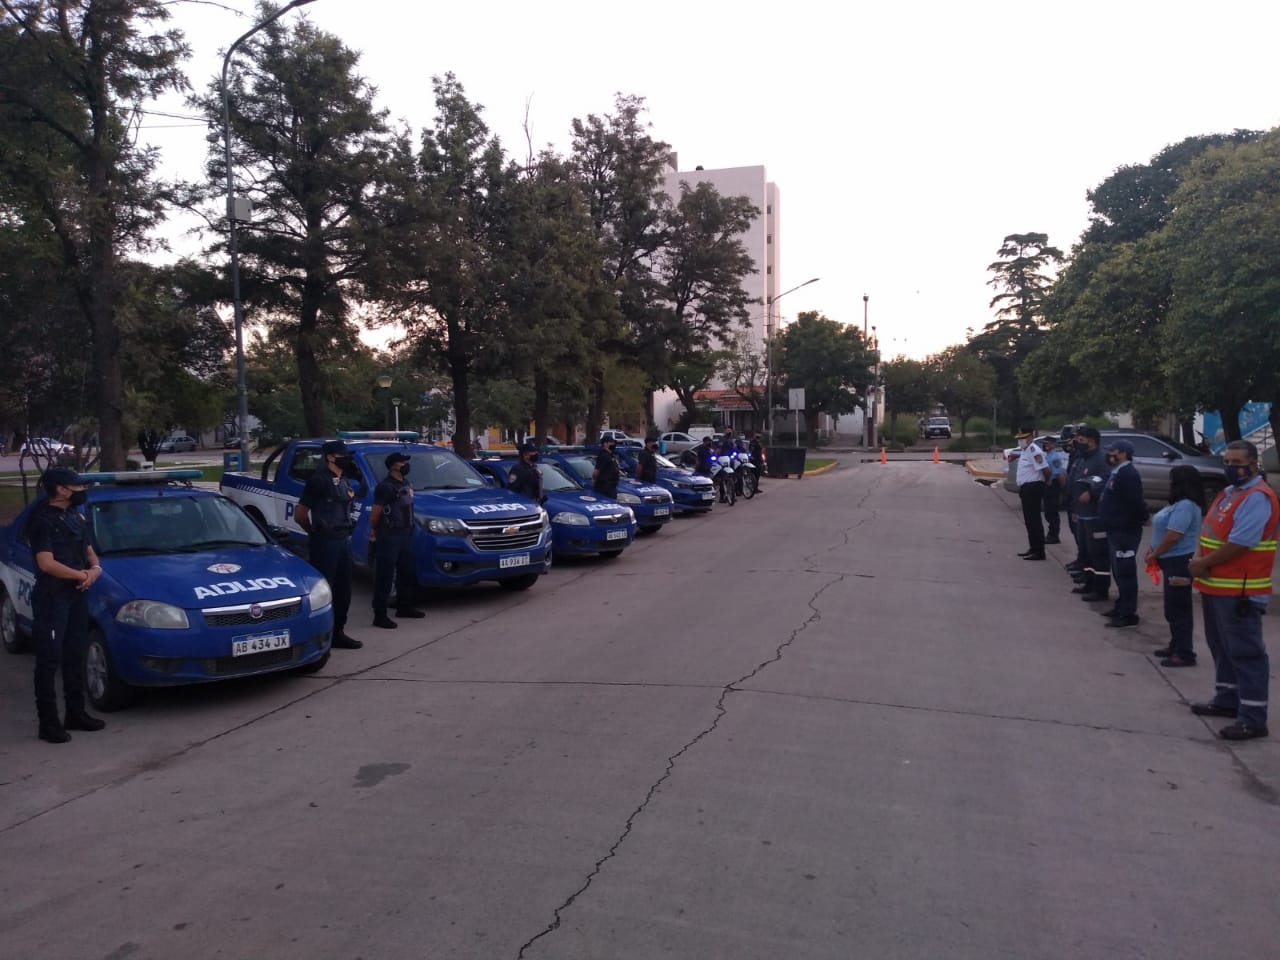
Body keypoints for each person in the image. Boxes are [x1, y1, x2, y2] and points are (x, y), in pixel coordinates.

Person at [1188, 440, 1279, 740]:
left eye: (1237, 463)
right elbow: (1210, 531)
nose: (1230, 467)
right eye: (1226, 461)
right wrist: (1199, 560)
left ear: (1253, 464)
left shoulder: (1257, 497)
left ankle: (1253, 717)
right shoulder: (1229, 493)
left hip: (1240, 590)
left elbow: (1241, 542)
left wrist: (1203, 563)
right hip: (1216, 585)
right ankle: (1227, 699)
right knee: (1222, 648)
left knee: (1246, 653)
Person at [28, 467, 105, 743]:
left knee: (74, 653)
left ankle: (76, 713)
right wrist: (80, 575)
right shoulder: (42, 520)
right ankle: (48, 723)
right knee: (49, 659)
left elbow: (88, 550)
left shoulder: (75, 515)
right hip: (52, 597)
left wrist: (94, 570)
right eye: (77, 486)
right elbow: (46, 563)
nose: (82, 490)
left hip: (76, 594)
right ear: (61, 489)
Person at [295, 439, 361, 649]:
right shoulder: (318, 481)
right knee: (325, 589)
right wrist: (314, 532)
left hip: (343, 540)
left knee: (344, 590)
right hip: (325, 541)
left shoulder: (344, 480)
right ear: (330, 457)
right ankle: (321, 633)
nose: (347, 459)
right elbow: (300, 514)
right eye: (342, 455)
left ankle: (338, 632)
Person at [1144, 465, 1205, 667]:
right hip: (1169, 560)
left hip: (1179, 562)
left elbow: (1174, 535)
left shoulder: (1186, 506)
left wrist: (1155, 553)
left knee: (1179, 608)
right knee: (1172, 607)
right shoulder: (1177, 504)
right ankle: (1176, 644)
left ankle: (1184, 652)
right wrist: (1152, 549)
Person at [368, 452, 424, 630]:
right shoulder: (385, 487)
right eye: (402, 462)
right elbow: (375, 513)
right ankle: (380, 615)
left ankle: (404, 607)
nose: (406, 464)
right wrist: (375, 530)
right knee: (385, 575)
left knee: (406, 572)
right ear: (393, 466)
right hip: (389, 535)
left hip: (406, 533)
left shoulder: (405, 483)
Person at [1098, 438, 1146, 628]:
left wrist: (1138, 520)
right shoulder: (1117, 472)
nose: (1110, 455)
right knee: (1118, 571)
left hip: (1125, 531)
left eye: (1113, 451)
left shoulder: (1128, 474)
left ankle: (1128, 613)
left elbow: (1135, 502)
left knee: (1125, 572)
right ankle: (1121, 606)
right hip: (1115, 529)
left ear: (1124, 454)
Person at [1072, 427, 1112, 602]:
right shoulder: (1083, 458)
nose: (1077, 443)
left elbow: (1107, 480)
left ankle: (1101, 589)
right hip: (1082, 513)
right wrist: (1075, 509)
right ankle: (1089, 583)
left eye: (1081, 440)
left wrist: (1092, 493)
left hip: (1095, 515)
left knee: (1099, 553)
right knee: (1086, 552)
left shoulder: (1101, 459)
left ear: (1092, 441)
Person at [1014, 430, 1050, 560]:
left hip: (1033, 488)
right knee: (1029, 521)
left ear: (1030, 437)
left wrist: (1046, 482)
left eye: (1023, 438)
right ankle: (1033, 548)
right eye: (1019, 439)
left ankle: (1039, 552)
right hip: (1026, 488)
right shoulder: (1026, 450)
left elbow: (1046, 469)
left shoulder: (1034, 450)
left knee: (1034, 521)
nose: (1020, 441)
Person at [1041, 435, 1068, 544]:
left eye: (1047, 444)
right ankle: (1051, 533)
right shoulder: (1047, 456)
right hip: (1048, 485)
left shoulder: (1054, 457)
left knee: (1052, 512)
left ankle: (1054, 535)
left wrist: (1063, 488)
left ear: (1053, 445)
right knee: (1048, 512)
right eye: (1044, 443)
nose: (1044, 445)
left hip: (1053, 485)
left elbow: (1059, 475)